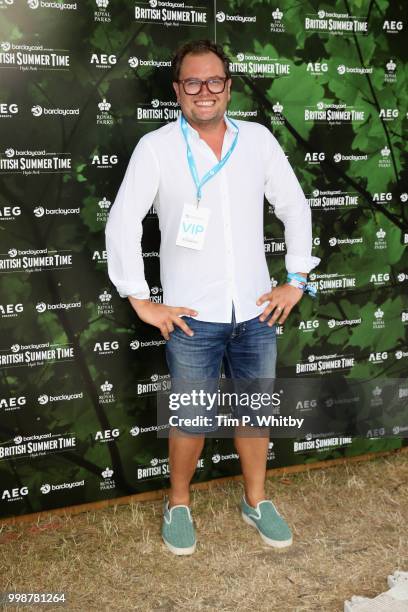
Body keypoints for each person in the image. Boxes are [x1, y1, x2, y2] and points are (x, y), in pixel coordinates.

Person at [105, 40, 320, 556]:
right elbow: (122, 223)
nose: (205, 91)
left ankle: (256, 500)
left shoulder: (260, 141)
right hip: (191, 317)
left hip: (256, 308)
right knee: (192, 419)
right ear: (178, 90)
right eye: (193, 83)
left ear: (229, 86)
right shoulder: (156, 147)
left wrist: (296, 279)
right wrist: (141, 299)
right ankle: (178, 503)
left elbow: (295, 206)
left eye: (215, 81)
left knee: (253, 414)